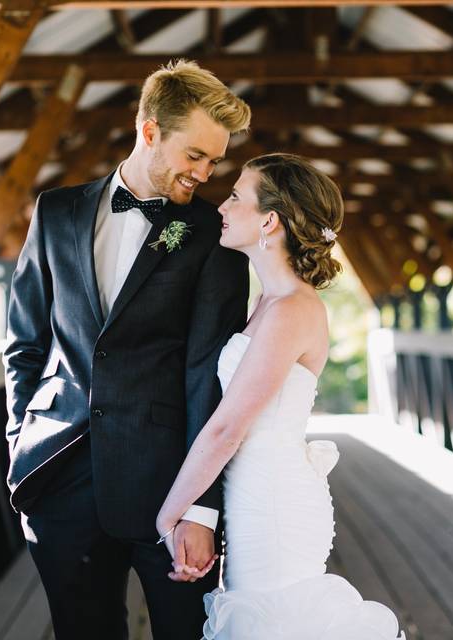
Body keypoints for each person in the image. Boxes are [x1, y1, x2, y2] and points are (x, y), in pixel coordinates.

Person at [2, 60, 251, 638]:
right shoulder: (55, 212)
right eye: (195, 156)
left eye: (214, 161)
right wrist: (21, 438)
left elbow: (205, 378)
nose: (204, 173)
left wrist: (200, 507)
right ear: (149, 131)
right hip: (58, 475)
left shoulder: (216, 242)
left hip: (168, 486)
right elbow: (25, 340)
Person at [155, 153, 405, 639]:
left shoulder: (291, 309)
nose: (221, 207)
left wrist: (170, 515)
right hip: (253, 497)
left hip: (274, 507)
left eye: (234, 196)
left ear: (269, 219)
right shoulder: (266, 301)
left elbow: (229, 427)